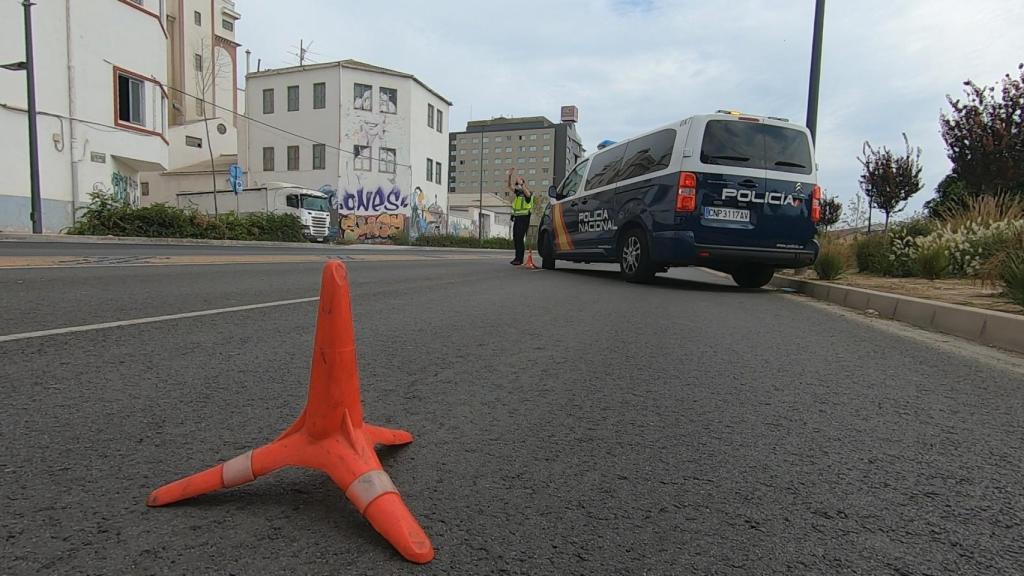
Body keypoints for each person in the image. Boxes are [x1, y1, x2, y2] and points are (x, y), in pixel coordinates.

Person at [507, 168, 533, 265]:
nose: (517, 186)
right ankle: (517, 258)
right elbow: (509, 186)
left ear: (523, 184)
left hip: (524, 218)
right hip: (517, 219)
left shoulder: (527, 193)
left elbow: (528, 195)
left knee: (520, 237)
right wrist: (510, 176)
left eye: (519, 184)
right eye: (517, 184)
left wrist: (522, 184)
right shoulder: (518, 193)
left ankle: (519, 259)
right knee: (516, 238)